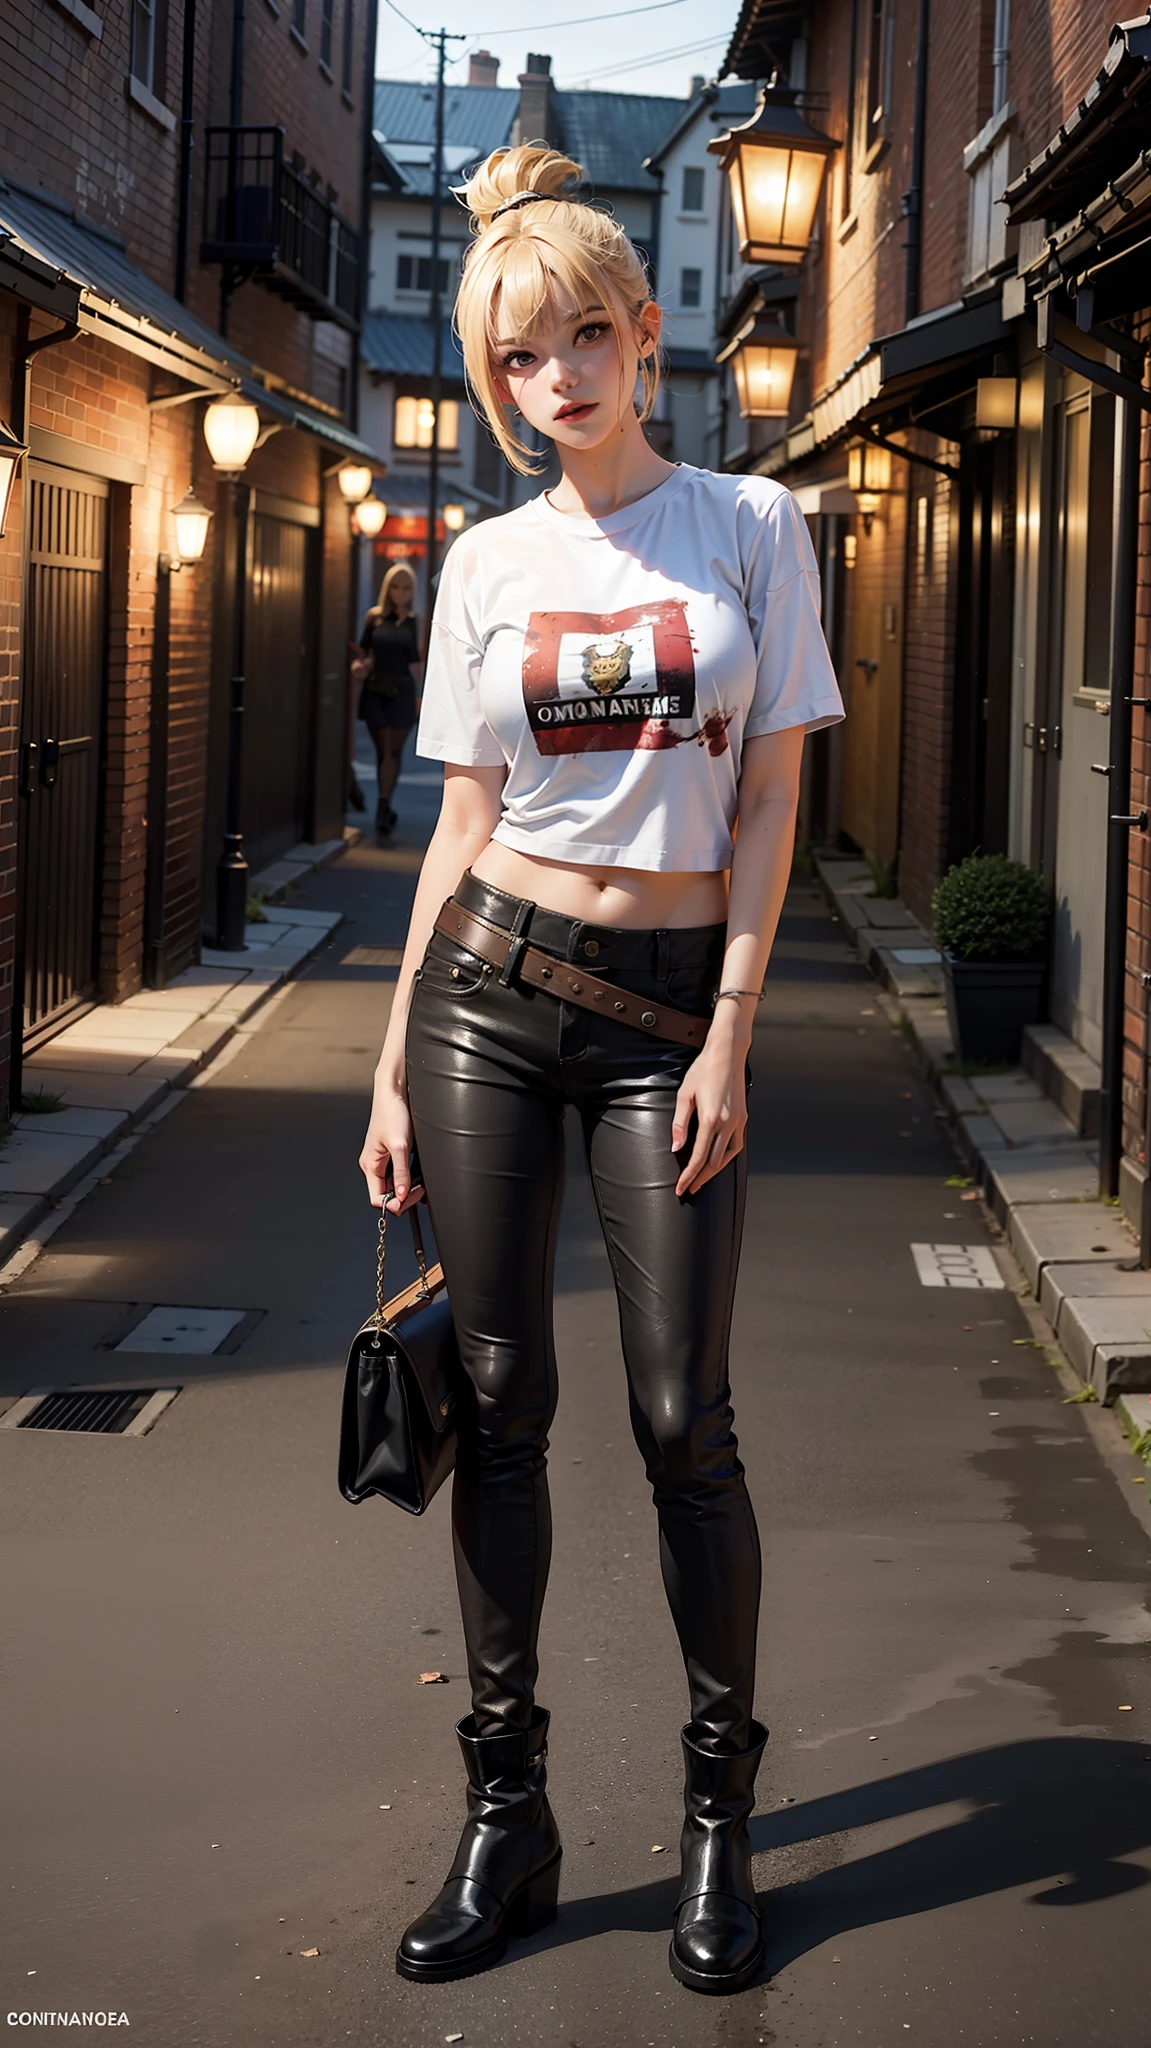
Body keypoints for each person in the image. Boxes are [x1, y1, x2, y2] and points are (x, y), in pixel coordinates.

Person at [357, 142, 844, 1996]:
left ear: (646, 333)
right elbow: (465, 815)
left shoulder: (748, 529)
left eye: (582, 336)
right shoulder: (485, 561)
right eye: (516, 358)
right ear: (495, 383)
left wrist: (730, 1025)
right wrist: (396, 1058)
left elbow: (776, 791)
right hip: (489, 990)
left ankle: (721, 1809)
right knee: (495, 1399)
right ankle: (510, 1812)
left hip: (662, 1019)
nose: (555, 377)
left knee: (677, 1417)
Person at [357, 562, 424, 834]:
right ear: (387, 588)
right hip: (376, 689)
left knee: (393, 750)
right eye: (395, 586)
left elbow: (417, 663)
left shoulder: (415, 621)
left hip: (403, 691)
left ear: (412, 591)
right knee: (383, 750)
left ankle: (384, 805)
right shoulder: (374, 617)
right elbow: (363, 652)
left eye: (406, 588)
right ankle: (384, 805)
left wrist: (420, 697)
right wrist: (359, 666)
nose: (400, 593)